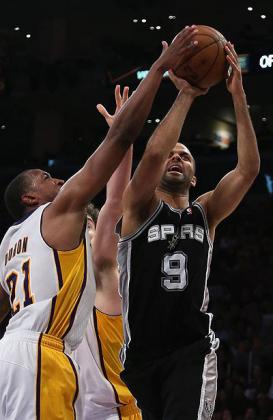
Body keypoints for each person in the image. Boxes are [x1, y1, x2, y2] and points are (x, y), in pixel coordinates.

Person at [0, 25, 199, 420]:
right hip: (42, 357)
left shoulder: (9, 242)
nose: (57, 179)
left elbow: (111, 207)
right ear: (30, 198)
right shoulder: (55, 217)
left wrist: (122, 147)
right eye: (45, 177)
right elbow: (110, 186)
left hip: (37, 366)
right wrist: (157, 72)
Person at [116, 42, 260, 419]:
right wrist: (187, 94)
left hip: (190, 350)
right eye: (171, 154)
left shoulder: (206, 212)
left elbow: (247, 170)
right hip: (138, 355)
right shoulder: (140, 206)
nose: (176, 157)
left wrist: (238, 98)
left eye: (186, 156)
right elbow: (150, 155)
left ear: (195, 177)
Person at [73, 86, 141, 419]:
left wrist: (121, 136)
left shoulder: (102, 276)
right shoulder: (57, 289)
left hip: (115, 411)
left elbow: (113, 203)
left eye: (84, 228)